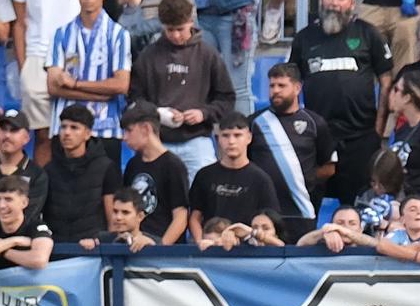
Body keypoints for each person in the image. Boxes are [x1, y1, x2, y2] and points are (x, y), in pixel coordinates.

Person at [291, 0, 393, 205]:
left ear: (352, 3)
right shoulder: (304, 38)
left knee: (358, 210)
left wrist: (378, 131)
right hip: (318, 140)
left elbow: (387, 83)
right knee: (308, 205)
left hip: (360, 140)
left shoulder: (369, 34)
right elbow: (291, 84)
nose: (334, 3)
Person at [7, 0, 88, 157]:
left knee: (75, 132)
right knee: (42, 135)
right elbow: (19, 23)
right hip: (36, 55)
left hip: (74, 56)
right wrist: (23, 66)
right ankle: (41, 194)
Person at [130, 0, 233, 181]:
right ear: (162, 26)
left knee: (204, 199)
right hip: (157, 140)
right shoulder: (148, 55)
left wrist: (203, 113)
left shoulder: (208, 54)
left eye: (180, 29)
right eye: (170, 30)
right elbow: (134, 98)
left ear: (191, 21)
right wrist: (159, 113)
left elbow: (227, 98)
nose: (176, 35)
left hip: (197, 140)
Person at [45, 0, 133, 160]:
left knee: (107, 188)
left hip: (105, 127)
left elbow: (120, 85)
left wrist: (75, 84)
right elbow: (53, 87)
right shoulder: (61, 34)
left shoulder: (119, 34)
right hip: (65, 126)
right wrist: (101, 93)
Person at [250, 62, 335, 235]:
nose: (275, 90)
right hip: (263, 215)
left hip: (302, 212)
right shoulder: (253, 122)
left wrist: (302, 179)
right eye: (272, 85)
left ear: (297, 88)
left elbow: (329, 167)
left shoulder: (315, 123)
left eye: (282, 85)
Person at [190, 113, 280, 244]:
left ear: (249, 138)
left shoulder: (261, 179)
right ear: (218, 139)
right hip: (211, 247)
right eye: (225, 135)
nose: (231, 141)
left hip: (247, 251)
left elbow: (270, 223)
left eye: (237, 135)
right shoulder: (204, 175)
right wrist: (201, 243)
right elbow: (195, 217)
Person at [41, 105, 123, 243]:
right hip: (56, 251)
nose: (67, 133)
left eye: (74, 128)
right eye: (63, 127)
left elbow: (113, 220)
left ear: (87, 133)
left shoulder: (106, 168)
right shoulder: (49, 169)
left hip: (93, 250)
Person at [119, 101, 191, 245]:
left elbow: (181, 216)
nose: (125, 137)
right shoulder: (133, 165)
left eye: (129, 130)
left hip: (164, 252)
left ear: (146, 129)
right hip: (135, 246)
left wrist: (160, 247)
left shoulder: (173, 165)